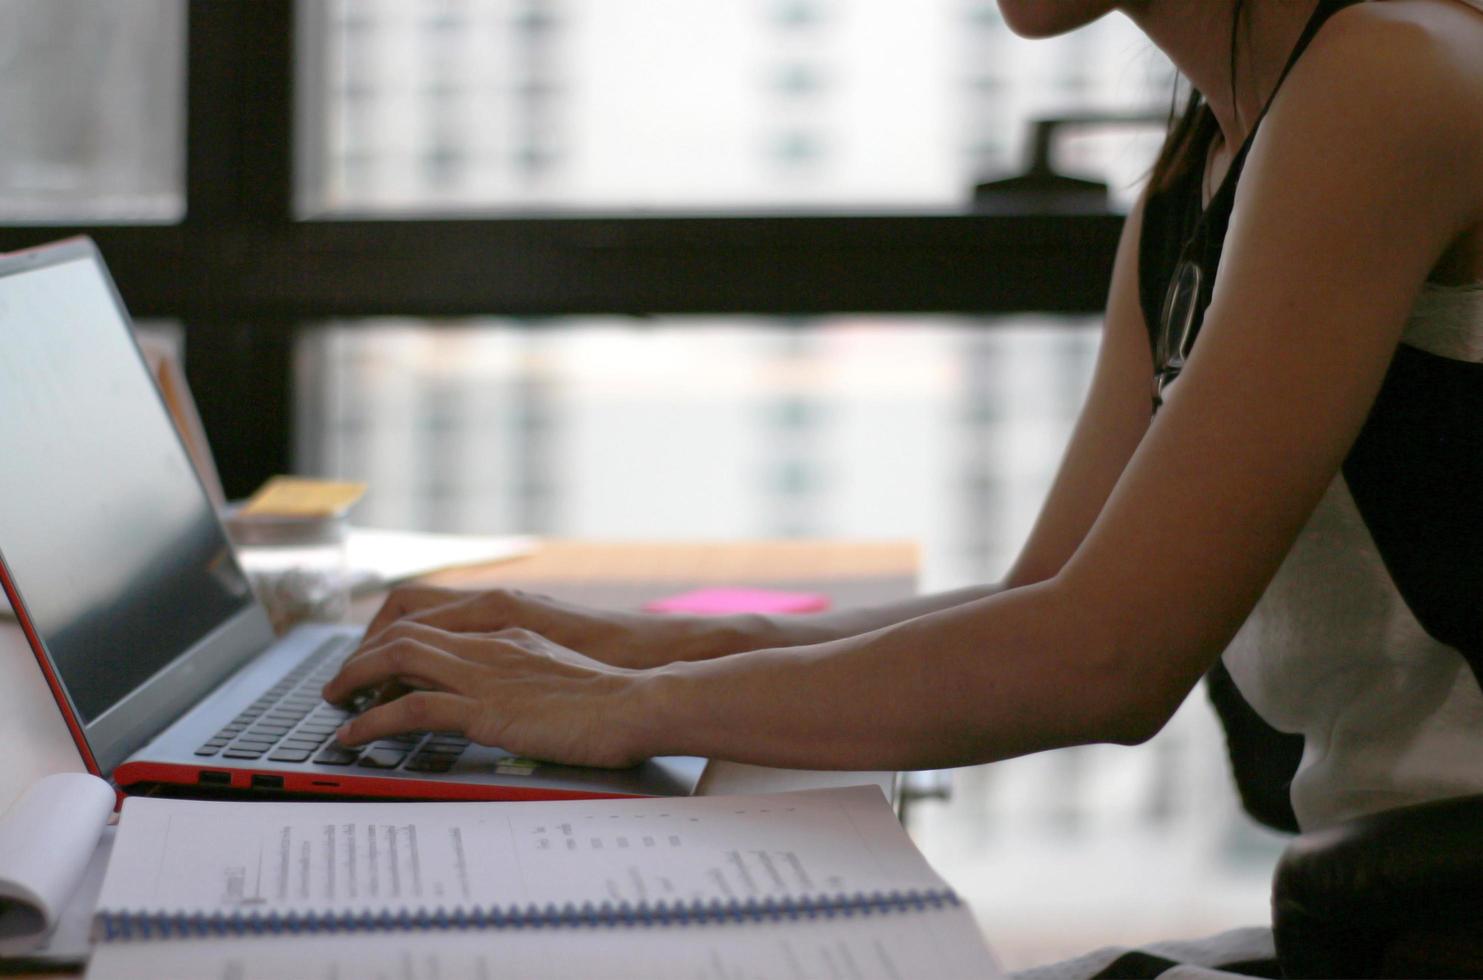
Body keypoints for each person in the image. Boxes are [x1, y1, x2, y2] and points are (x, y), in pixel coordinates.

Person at [323, 1, 1483, 967]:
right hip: (1383, 913)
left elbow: (1105, 661)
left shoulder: (1390, 73)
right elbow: (1050, 596)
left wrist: (629, 707)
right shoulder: (1201, 173)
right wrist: (641, 648)